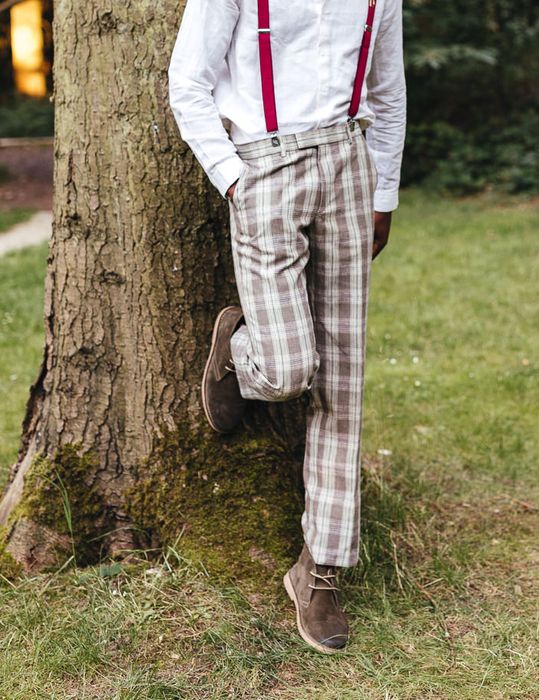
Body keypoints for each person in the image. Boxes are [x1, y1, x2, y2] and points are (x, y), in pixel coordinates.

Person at [167, 0, 406, 653]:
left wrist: (383, 192)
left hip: (349, 170)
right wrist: (235, 181)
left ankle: (318, 571)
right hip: (264, 166)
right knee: (290, 368)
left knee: (341, 388)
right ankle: (236, 351)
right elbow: (187, 80)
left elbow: (387, 92)